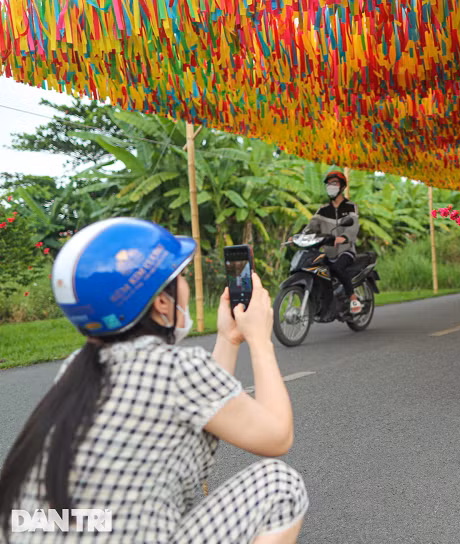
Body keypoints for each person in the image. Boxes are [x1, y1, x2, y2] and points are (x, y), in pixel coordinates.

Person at [0, 218, 308, 542]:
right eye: (181, 277)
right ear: (162, 302)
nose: (186, 285)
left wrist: (229, 339)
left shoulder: (76, 369)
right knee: (280, 486)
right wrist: (260, 340)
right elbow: (277, 436)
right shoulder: (176, 369)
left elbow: (207, 405)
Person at [306, 170, 363, 314]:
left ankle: (353, 298)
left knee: (337, 268)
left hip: (346, 251)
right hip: (328, 252)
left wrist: (344, 237)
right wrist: (298, 237)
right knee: (316, 270)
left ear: (342, 186)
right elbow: (311, 227)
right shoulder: (322, 210)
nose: (330, 186)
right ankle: (325, 303)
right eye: (329, 184)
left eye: (334, 183)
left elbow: (353, 226)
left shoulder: (350, 206)